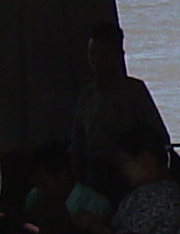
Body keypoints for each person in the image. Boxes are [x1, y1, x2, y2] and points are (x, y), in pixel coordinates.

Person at [72, 23, 169, 200]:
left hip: (127, 179)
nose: (97, 61)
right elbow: (78, 145)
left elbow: (158, 137)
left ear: (119, 56)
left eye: (104, 55)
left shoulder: (134, 91)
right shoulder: (86, 96)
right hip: (93, 179)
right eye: (93, 53)